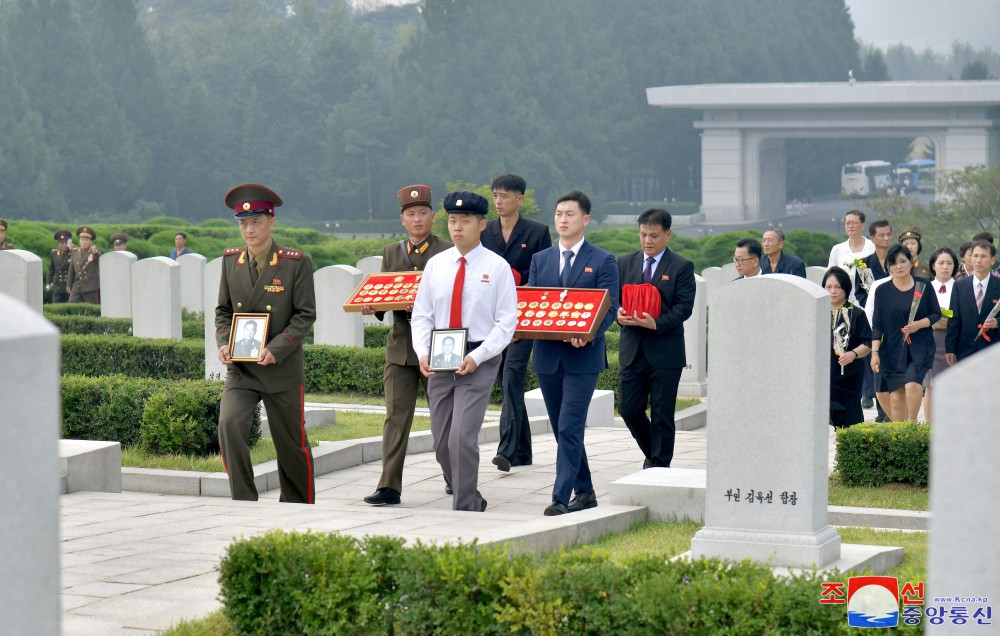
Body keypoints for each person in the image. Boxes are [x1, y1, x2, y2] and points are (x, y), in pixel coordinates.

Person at [410, 191, 517, 513]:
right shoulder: (436, 265)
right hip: (441, 356)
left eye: (465, 221)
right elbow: (422, 314)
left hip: (478, 359)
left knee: (461, 439)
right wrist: (422, 352)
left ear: (482, 224)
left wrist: (479, 356)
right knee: (442, 443)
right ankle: (468, 491)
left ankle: (465, 506)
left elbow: (506, 321)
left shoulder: (497, 267)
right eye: (453, 221)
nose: (457, 227)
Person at [215, 183, 316, 503]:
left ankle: (299, 506)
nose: (249, 229)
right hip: (242, 370)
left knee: (291, 444)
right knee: (229, 425)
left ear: (271, 222)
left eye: (256, 222)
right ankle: (244, 499)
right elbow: (223, 311)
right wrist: (223, 342)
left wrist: (278, 348)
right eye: (243, 223)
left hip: (281, 369)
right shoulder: (231, 261)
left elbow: (305, 315)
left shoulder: (294, 262)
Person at [528, 190, 620, 516]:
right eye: (558, 214)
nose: (563, 220)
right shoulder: (541, 260)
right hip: (548, 357)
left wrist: (589, 334)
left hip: (584, 359)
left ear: (585, 219)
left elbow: (611, 307)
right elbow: (535, 305)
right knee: (560, 428)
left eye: (570, 214)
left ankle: (559, 497)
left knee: (569, 426)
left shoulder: (602, 260)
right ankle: (586, 491)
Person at [363, 184, 453, 507]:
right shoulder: (391, 252)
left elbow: (456, 299)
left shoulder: (447, 250)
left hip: (438, 347)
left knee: (444, 417)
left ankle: (455, 477)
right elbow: (386, 296)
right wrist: (374, 306)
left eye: (422, 213)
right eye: (411, 214)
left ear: (432, 216)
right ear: (403, 220)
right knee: (395, 417)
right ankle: (389, 486)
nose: (417, 219)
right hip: (401, 348)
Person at [480, 173, 552, 473]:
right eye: (495, 195)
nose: (499, 201)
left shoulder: (537, 232)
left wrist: (527, 324)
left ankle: (506, 450)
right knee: (506, 383)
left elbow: (542, 281)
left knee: (511, 377)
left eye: (505, 196)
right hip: (491, 322)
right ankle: (523, 451)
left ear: (520, 199)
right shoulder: (485, 232)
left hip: (522, 325)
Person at [617, 208, 695, 469]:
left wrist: (656, 323)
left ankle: (659, 466)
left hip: (665, 353)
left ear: (668, 235)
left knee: (662, 415)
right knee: (628, 410)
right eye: (643, 235)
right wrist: (618, 314)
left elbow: (684, 307)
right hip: (632, 350)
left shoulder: (681, 266)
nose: (647, 240)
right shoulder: (625, 262)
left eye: (653, 235)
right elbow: (615, 300)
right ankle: (655, 453)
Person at [869, 244, 941, 422]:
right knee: (896, 397)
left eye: (903, 261)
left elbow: (935, 314)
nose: (898, 266)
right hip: (893, 349)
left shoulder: (923, 286)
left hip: (919, 346)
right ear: (888, 268)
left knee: (913, 385)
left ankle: (912, 423)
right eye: (893, 263)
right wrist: (875, 352)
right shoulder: (882, 291)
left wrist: (919, 325)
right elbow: (878, 324)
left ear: (911, 263)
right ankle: (901, 436)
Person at [854, 219, 893, 420]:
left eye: (888, 234)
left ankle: (893, 411)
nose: (886, 238)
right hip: (873, 321)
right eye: (881, 235)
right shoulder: (864, 265)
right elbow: (859, 293)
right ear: (872, 238)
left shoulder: (899, 260)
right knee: (875, 363)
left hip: (896, 321)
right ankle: (881, 412)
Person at [824, 266, 871, 428]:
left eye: (837, 287)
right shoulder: (818, 311)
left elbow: (868, 342)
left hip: (849, 374)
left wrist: (853, 354)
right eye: (829, 287)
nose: (833, 291)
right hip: (824, 375)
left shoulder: (856, 313)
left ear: (846, 288)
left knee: (851, 420)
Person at [946, 241, 1000, 365]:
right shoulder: (959, 285)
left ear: (992, 260)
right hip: (966, 349)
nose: (978, 260)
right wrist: (950, 348)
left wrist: (997, 322)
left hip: (993, 349)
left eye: (983, 256)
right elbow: (954, 319)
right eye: (975, 256)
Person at [921, 247, 958, 423]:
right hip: (931, 340)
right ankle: (930, 428)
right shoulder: (923, 287)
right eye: (941, 263)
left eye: (949, 263)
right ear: (933, 266)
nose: (945, 267)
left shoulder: (961, 287)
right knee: (931, 385)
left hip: (954, 340)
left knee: (955, 384)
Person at [828, 210, 875, 303]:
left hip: (868, 302)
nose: (850, 226)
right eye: (847, 223)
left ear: (863, 225)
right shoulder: (837, 250)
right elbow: (830, 277)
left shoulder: (873, 247)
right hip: (843, 303)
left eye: (854, 223)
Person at [67, 227, 101, 304]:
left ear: (90, 242)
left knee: (92, 309)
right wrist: (69, 284)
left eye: (86, 240)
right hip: (77, 286)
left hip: (91, 286)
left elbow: (99, 258)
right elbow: (71, 270)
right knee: (71, 305)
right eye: (82, 240)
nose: (84, 242)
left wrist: (95, 252)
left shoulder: (94, 251)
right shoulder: (75, 252)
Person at [46, 230, 73, 303]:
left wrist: (72, 250)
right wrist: (49, 282)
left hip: (70, 286)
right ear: (58, 243)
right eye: (62, 243)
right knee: (55, 303)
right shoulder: (54, 253)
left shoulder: (73, 253)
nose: (64, 245)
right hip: (58, 286)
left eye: (66, 243)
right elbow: (51, 269)